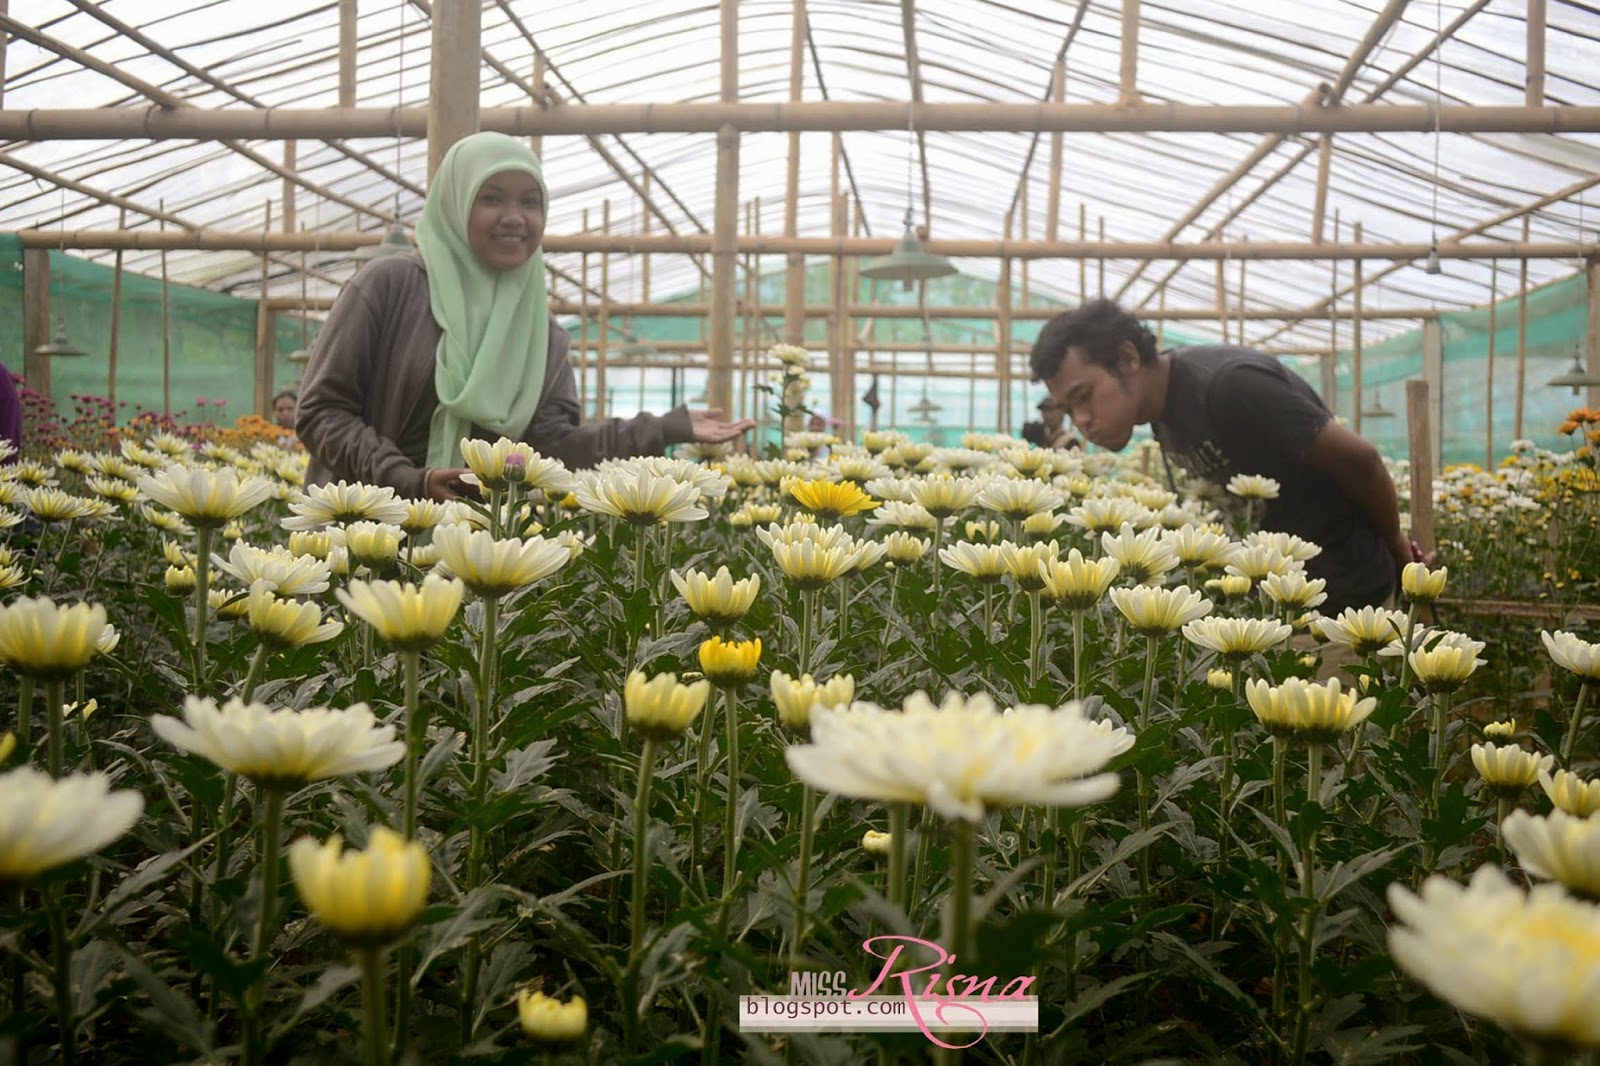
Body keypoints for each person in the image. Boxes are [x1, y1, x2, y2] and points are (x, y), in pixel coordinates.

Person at [297, 132, 755, 501]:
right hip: (354, 543)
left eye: (530, 202)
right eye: (492, 198)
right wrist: (407, 479)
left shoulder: (544, 337)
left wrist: (663, 428)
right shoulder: (391, 285)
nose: (514, 217)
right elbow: (321, 411)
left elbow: (550, 448)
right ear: (456, 204)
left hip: (473, 555)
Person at [1030, 298, 1419, 613]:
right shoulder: (1162, 408)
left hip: (1344, 604)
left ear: (1128, 359)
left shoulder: (1228, 386)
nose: (1081, 420)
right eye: (1068, 408)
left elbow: (1361, 460)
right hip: (1272, 606)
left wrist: (1401, 553)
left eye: (1083, 397)